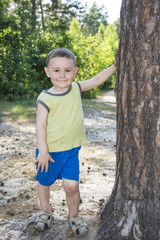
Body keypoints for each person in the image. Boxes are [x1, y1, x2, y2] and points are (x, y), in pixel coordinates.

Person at [34, 47, 118, 237]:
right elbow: (40, 126)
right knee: (44, 181)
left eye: (67, 70)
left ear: (75, 71)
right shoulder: (45, 98)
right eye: (56, 70)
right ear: (48, 72)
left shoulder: (76, 88)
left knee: (71, 186)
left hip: (71, 150)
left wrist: (114, 67)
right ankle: (45, 211)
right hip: (49, 152)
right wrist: (43, 151)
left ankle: (74, 216)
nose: (62, 75)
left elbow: (96, 80)